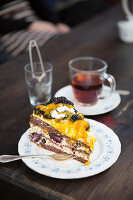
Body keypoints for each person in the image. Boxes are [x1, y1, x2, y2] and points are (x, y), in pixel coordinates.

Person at [0, 0, 71, 63]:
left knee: (64, 41)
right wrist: (30, 25)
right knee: (48, 49)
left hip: (38, 25)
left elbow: (41, 7)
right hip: (12, 32)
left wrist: (57, 23)